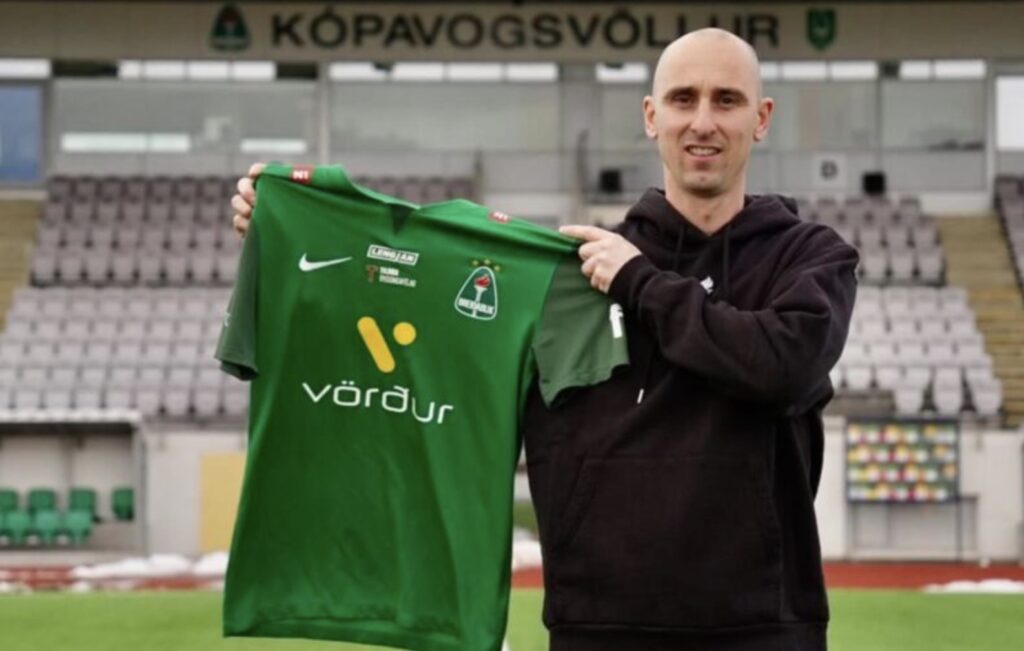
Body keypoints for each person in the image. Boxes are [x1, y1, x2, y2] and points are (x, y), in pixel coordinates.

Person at [231, 28, 858, 651]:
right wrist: (295, 230)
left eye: (726, 100)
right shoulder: (568, 271)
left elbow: (784, 365)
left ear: (761, 117)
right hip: (598, 625)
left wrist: (640, 283)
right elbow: (414, 303)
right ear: (651, 116)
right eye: (682, 99)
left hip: (765, 625)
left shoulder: (810, 258)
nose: (703, 121)